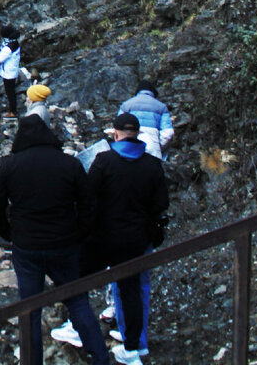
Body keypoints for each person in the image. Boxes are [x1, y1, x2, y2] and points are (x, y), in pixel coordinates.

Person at [0, 115, 110, 365]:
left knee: (29, 309)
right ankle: (100, 358)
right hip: (64, 244)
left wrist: (10, 234)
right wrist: (79, 234)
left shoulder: (10, 166)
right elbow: (89, 204)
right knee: (77, 301)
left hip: (27, 246)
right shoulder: (69, 164)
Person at [85, 112, 169, 365]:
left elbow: (89, 198)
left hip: (107, 237)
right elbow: (161, 203)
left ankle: (79, 329)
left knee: (81, 278)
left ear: (116, 133)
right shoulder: (152, 165)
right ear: (138, 134)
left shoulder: (104, 161)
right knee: (135, 289)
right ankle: (135, 344)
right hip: (140, 238)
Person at [118, 80, 174, 160]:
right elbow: (169, 132)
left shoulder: (126, 105)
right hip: (153, 146)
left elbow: (119, 128)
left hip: (130, 147)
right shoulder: (162, 107)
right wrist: (158, 145)